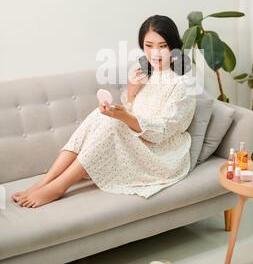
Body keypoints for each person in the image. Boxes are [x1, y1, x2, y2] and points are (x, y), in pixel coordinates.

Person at [12, 15, 196, 207]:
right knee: (100, 114)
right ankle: (44, 182)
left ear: (174, 46)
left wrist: (123, 116)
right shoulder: (143, 73)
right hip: (139, 140)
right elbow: (134, 111)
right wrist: (132, 92)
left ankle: (59, 186)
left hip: (162, 154)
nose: (155, 53)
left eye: (162, 46)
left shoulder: (182, 84)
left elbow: (162, 133)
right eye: (149, 46)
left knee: (112, 124)